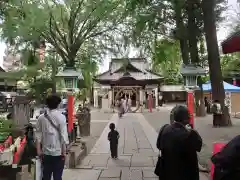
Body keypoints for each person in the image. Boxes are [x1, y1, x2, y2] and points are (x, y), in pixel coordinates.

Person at [155, 105, 202, 180]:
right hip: (185, 174)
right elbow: (199, 146)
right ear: (186, 119)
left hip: (166, 172)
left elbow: (158, 145)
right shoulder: (190, 134)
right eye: (189, 116)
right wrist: (191, 131)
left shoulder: (164, 128)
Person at [36, 94, 69, 180]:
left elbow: (38, 135)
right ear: (58, 104)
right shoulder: (61, 117)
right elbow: (63, 136)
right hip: (58, 153)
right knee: (57, 176)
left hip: (45, 153)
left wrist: (38, 150)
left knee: (46, 176)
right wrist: (64, 152)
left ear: (47, 104)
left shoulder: (41, 118)